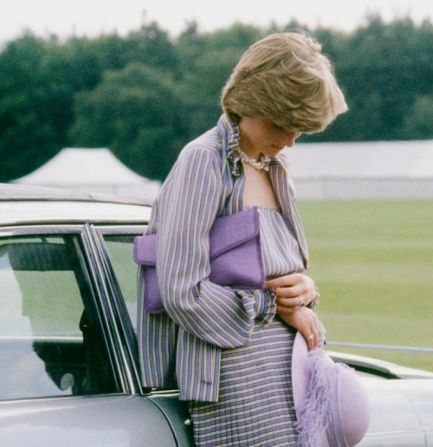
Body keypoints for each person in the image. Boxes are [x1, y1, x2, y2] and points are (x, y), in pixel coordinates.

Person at [137, 32, 348, 447]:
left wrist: (304, 290)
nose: (289, 139)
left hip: (288, 377)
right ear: (252, 102)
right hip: (234, 383)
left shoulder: (275, 167)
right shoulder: (203, 161)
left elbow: (271, 270)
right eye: (282, 124)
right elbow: (183, 290)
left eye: (300, 129)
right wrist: (275, 306)